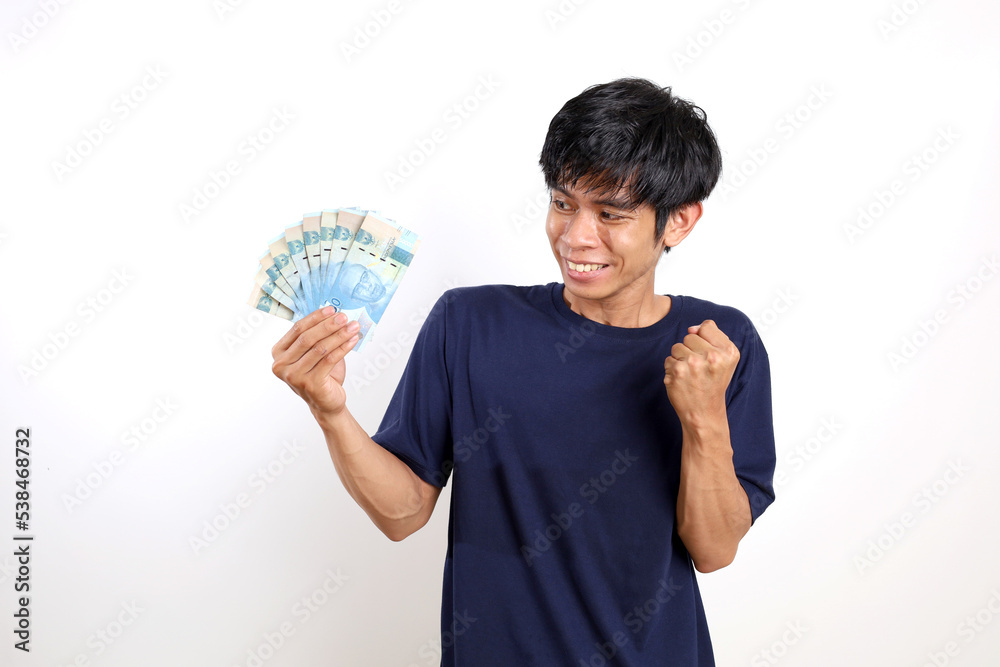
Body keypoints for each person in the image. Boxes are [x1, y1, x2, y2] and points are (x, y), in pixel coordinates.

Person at [270, 77, 776, 666]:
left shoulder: (718, 345)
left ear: (680, 221)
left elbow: (713, 549)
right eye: (563, 203)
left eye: (610, 213)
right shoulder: (468, 323)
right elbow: (402, 514)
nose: (576, 236)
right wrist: (330, 411)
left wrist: (704, 416)